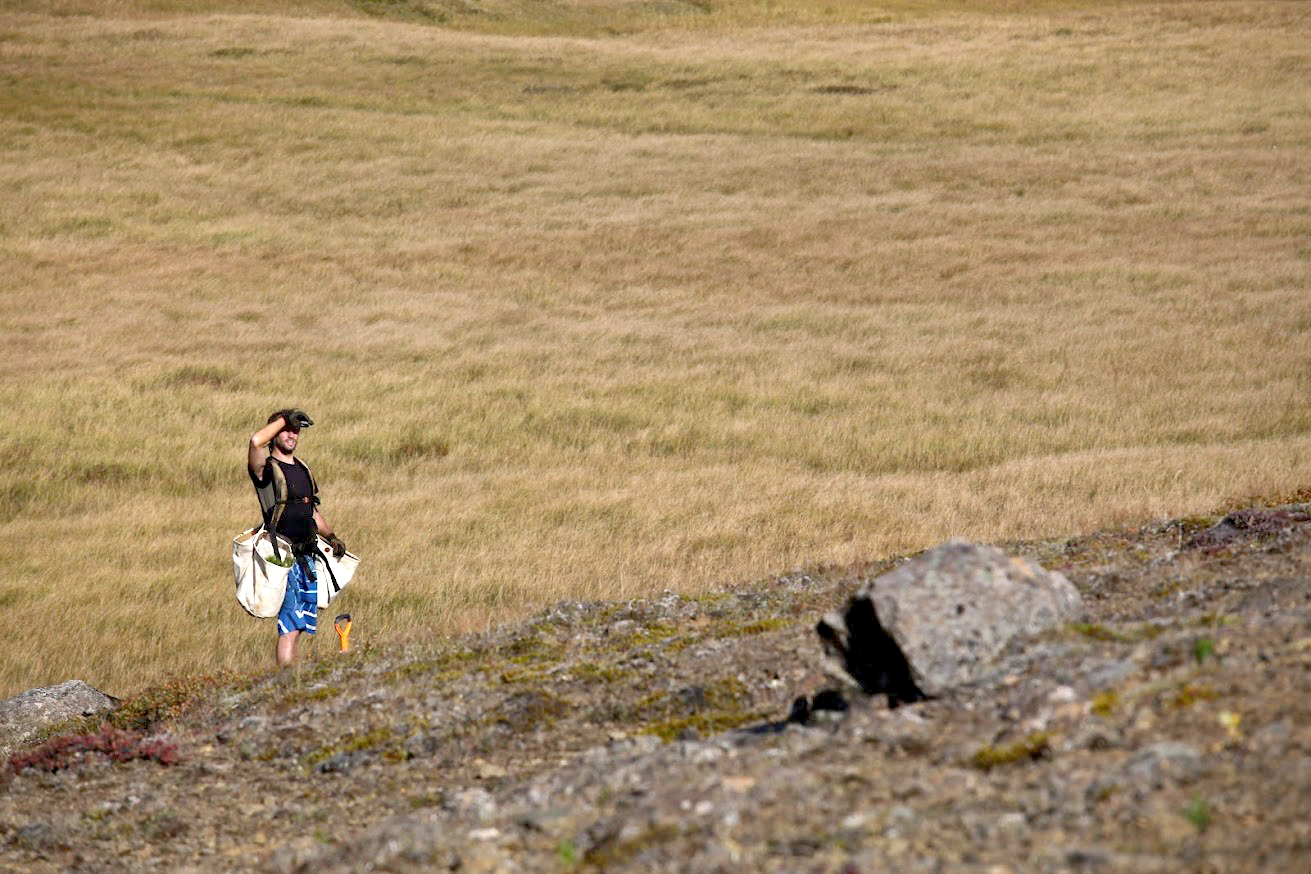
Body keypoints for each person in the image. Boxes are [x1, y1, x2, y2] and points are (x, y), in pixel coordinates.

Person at [248, 409, 347, 668]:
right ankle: (287, 679)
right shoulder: (266, 469)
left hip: (307, 555)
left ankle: (292, 676)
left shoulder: (303, 469)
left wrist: (331, 536)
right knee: (290, 624)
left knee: (300, 623)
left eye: (296, 430)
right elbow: (255, 441)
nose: (292, 435)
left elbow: (312, 511)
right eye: (286, 430)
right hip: (282, 555)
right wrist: (284, 418)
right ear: (274, 434)